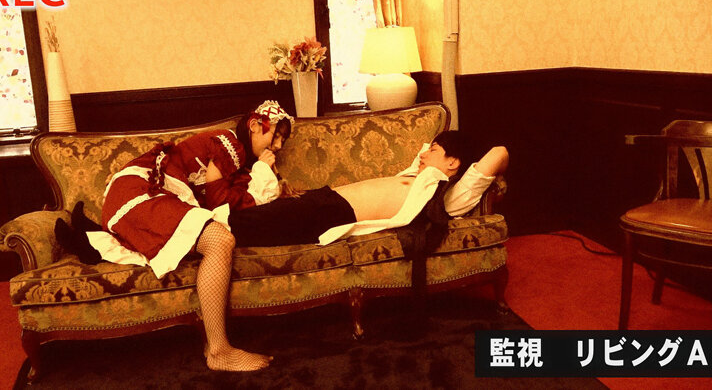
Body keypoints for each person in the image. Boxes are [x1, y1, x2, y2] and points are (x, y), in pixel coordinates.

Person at [92, 100, 293, 372]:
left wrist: (263, 171)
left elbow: (232, 202)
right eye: (275, 135)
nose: (278, 146)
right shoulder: (232, 146)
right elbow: (218, 203)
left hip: (138, 197)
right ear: (255, 125)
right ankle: (219, 351)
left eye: (282, 140)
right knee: (220, 239)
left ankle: (214, 345)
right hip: (138, 193)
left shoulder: (242, 163)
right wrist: (262, 171)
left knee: (216, 236)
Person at [228, 131, 509, 247]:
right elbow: (424, 153)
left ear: (453, 162)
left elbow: (499, 153)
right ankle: (207, 224)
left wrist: (482, 171)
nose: (423, 154)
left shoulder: (446, 197)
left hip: (333, 214)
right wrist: (435, 153)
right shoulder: (417, 174)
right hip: (324, 198)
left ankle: (205, 229)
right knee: (252, 214)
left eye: (433, 150)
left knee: (243, 224)